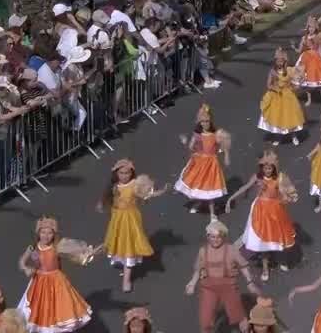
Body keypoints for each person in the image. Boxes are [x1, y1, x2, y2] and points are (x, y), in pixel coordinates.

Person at [226, 150, 298, 282]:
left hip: (276, 211)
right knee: (263, 241)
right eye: (265, 167)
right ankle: (265, 268)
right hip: (260, 211)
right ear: (262, 168)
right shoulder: (257, 177)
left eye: (270, 168)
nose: (268, 170)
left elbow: (289, 192)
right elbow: (245, 187)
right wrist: (231, 198)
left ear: (274, 168)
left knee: (278, 238)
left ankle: (281, 260)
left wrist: (288, 197)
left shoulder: (279, 178)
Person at [17, 216, 98, 332]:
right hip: (39, 282)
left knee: (59, 306)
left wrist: (88, 253)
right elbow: (22, 261)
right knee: (40, 307)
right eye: (43, 232)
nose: (46, 236)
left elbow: (75, 254)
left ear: (54, 234)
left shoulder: (57, 247)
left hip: (57, 282)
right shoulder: (33, 247)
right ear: (38, 233)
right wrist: (26, 268)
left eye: (50, 233)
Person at [99, 159, 167, 292]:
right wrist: (102, 204)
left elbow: (145, 194)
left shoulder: (135, 185)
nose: (124, 176)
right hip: (117, 219)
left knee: (129, 245)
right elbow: (109, 199)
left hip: (130, 220)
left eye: (127, 173)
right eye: (121, 173)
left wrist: (159, 192)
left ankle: (126, 279)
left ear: (132, 173)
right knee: (119, 243)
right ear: (116, 173)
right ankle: (123, 262)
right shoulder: (114, 186)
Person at [184, 219, 262, 333]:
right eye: (212, 237)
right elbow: (198, 268)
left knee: (240, 318)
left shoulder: (231, 250)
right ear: (208, 237)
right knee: (205, 320)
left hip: (228, 288)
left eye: (219, 237)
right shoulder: (203, 251)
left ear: (223, 237)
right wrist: (192, 283)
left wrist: (250, 282)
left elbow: (243, 266)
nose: (215, 240)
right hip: (208, 289)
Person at [175, 105, 230, 217]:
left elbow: (224, 146)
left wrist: (226, 156)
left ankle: (212, 214)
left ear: (211, 121)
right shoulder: (197, 135)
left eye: (207, 121)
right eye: (203, 122)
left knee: (209, 188)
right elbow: (192, 147)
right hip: (199, 163)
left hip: (211, 165)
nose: (205, 124)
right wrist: (186, 142)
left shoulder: (216, 135)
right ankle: (198, 203)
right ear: (199, 122)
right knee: (198, 186)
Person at [257, 48, 305, 146]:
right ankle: (279, 137)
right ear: (275, 61)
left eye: (281, 61)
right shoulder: (272, 72)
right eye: (278, 61)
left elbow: (294, 82)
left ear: (284, 61)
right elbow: (268, 85)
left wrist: (298, 85)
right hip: (276, 96)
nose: (280, 63)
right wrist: (275, 89)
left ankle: (294, 136)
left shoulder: (289, 70)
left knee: (290, 117)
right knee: (278, 117)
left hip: (288, 96)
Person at [292, 16, 321, 107]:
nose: (311, 29)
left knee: (320, 81)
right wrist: (294, 47)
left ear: (316, 28)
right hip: (306, 59)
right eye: (310, 27)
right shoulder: (304, 38)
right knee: (306, 81)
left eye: (313, 27)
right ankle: (309, 99)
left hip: (315, 59)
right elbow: (299, 50)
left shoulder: (318, 37)